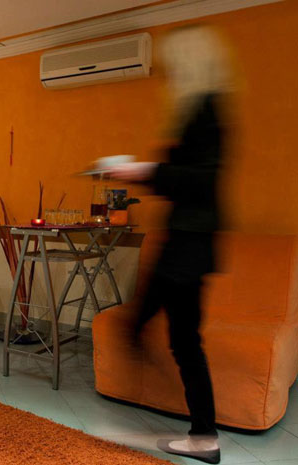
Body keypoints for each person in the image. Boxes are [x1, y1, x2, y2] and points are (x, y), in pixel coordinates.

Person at [108, 24, 234, 465]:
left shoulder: (206, 111)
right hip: (188, 240)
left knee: (172, 335)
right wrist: (148, 173)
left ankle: (203, 435)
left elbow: (200, 181)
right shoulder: (201, 110)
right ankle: (203, 435)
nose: (170, 76)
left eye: (174, 67)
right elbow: (186, 181)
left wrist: (145, 170)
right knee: (178, 337)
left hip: (189, 243)